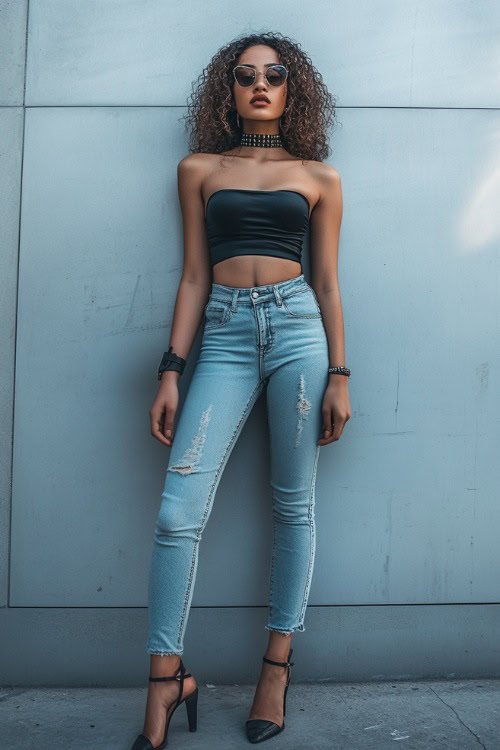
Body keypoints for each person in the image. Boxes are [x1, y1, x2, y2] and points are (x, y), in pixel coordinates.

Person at [131, 30, 351, 750]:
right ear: (227, 90)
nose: (261, 84)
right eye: (246, 75)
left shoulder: (319, 177)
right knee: (177, 511)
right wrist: (172, 366)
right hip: (222, 333)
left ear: (294, 89)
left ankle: (275, 670)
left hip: (298, 331)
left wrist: (340, 374)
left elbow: (326, 282)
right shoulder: (198, 168)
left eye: (275, 74)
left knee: (295, 506)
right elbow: (194, 275)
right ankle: (166, 680)